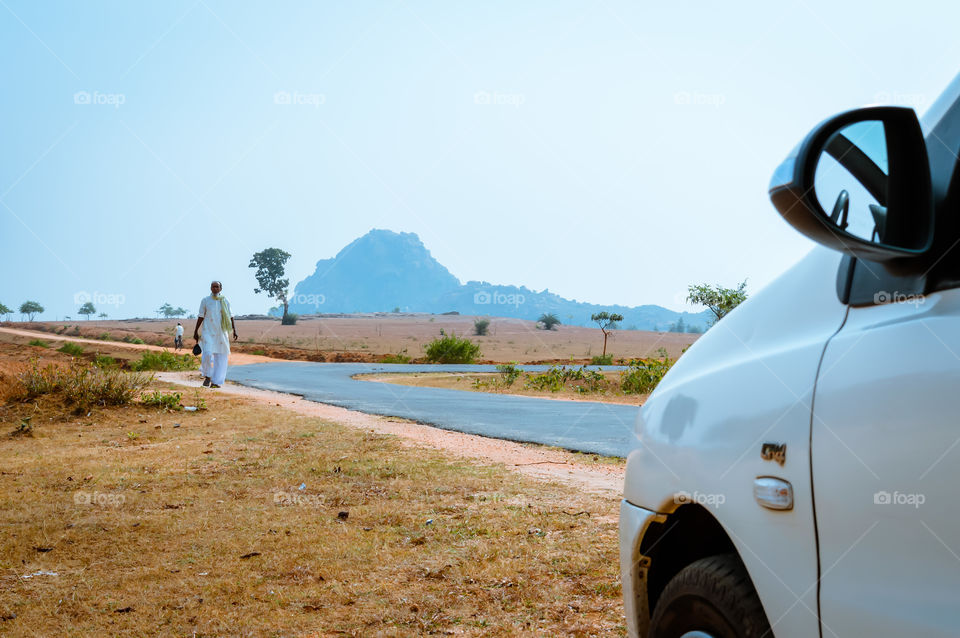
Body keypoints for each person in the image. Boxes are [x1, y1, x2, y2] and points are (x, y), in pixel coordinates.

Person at [193, 281, 238, 388]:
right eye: (213, 287)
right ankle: (208, 376)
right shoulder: (205, 300)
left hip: (221, 332)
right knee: (207, 354)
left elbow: (231, 316)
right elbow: (200, 316)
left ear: (220, 288)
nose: (215, 288)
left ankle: (216, 382)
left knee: (221, 357)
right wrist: (196, 331)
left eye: (217, 287)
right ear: (210, 288)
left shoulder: (225, 300)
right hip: (208, 331)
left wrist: (234, 330)